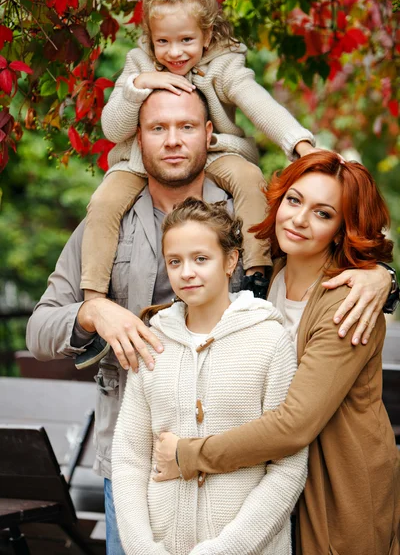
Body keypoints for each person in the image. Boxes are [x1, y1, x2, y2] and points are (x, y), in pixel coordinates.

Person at [26, 90, 393, 554]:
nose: (173, 141)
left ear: (209, 135)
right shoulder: (106, 224)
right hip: (143, 467)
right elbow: (39, 328)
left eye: (186, 127)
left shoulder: (249, 218)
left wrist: (382, 276)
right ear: (138, 139)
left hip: (267, 478)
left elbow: (338, 238)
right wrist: (92, 311)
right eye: (158, 128)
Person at [154, 151, 400, 555]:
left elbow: (294, 424)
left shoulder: (347, 302)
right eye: (294, 200)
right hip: (273, 478)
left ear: (342, 229)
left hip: (336, 481)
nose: (299, 219)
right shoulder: (269, 273)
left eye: (323, 213)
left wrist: (189, 455)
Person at [79, 0, 318, 331]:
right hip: (140, 163)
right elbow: (113, 129)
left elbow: (257, 103)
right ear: (150, 38)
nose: (174, 53)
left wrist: (299, 144)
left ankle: (256, 273)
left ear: (206, 37)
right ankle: (94, 299)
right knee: (103, 202)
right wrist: (140, 86)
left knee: (250, 178)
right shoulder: (139, 65)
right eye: (163, 42)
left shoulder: (223, 66)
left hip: (212, 153)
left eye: (186, 40)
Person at [112, 197, 308, 555]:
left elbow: (288, 465)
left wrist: (225, 550)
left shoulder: (269, 340)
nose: (186, 272)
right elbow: (130, 457)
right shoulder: (153, 341)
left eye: (201, 259)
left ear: (230, 261)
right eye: (175, 261)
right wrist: (143, 548)